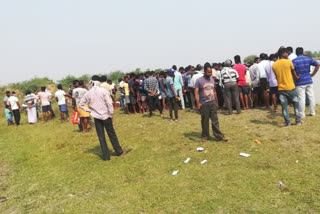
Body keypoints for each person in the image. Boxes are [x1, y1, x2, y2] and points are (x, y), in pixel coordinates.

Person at [79, 75, 131, 161]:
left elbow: (81, 104)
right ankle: (119, 151)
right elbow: (109, 104)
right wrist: (111, 114)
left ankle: (106, 156)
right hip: (106, 115)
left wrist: (90, 111)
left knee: (101, 136)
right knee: (112, 134)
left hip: (96, 116)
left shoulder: (88, 93)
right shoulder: (103, 91)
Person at [195, 63, 227, 142]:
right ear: (204, 71)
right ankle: (205, 136)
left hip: (212, 103)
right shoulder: (199, 81)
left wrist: (216, 102)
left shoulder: (212, 80)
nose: (210, 74)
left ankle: (219, 136)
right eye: (208, 72)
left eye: (211, 72)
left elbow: (214, 91)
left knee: (215, 121)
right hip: (204, 104)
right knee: (205, 121)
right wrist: (198, 103)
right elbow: (196, 92)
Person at [272, 47, 301, 126]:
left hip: (281, 88)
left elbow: (276, 76)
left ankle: (287, 122)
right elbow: (293, 71)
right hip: (291, 87)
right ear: (283, 54)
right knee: (296, 104)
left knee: (284, 106)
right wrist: (297, 77)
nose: (287, 54)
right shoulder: (289, 62)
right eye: (286, 53)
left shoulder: (274, 65)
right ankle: (298, 121)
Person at [292, 47, 320, 118]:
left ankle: (302, 114)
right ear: (302, 52)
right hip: (309, 79)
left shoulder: (294, 60)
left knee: (301, 98)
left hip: (300, 81)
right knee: (311, 97)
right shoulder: (308, 58)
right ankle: (313, 112)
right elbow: (318, 64)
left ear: (296, 53)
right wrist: (313, 74)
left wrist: (296, 76)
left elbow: (292, 68)